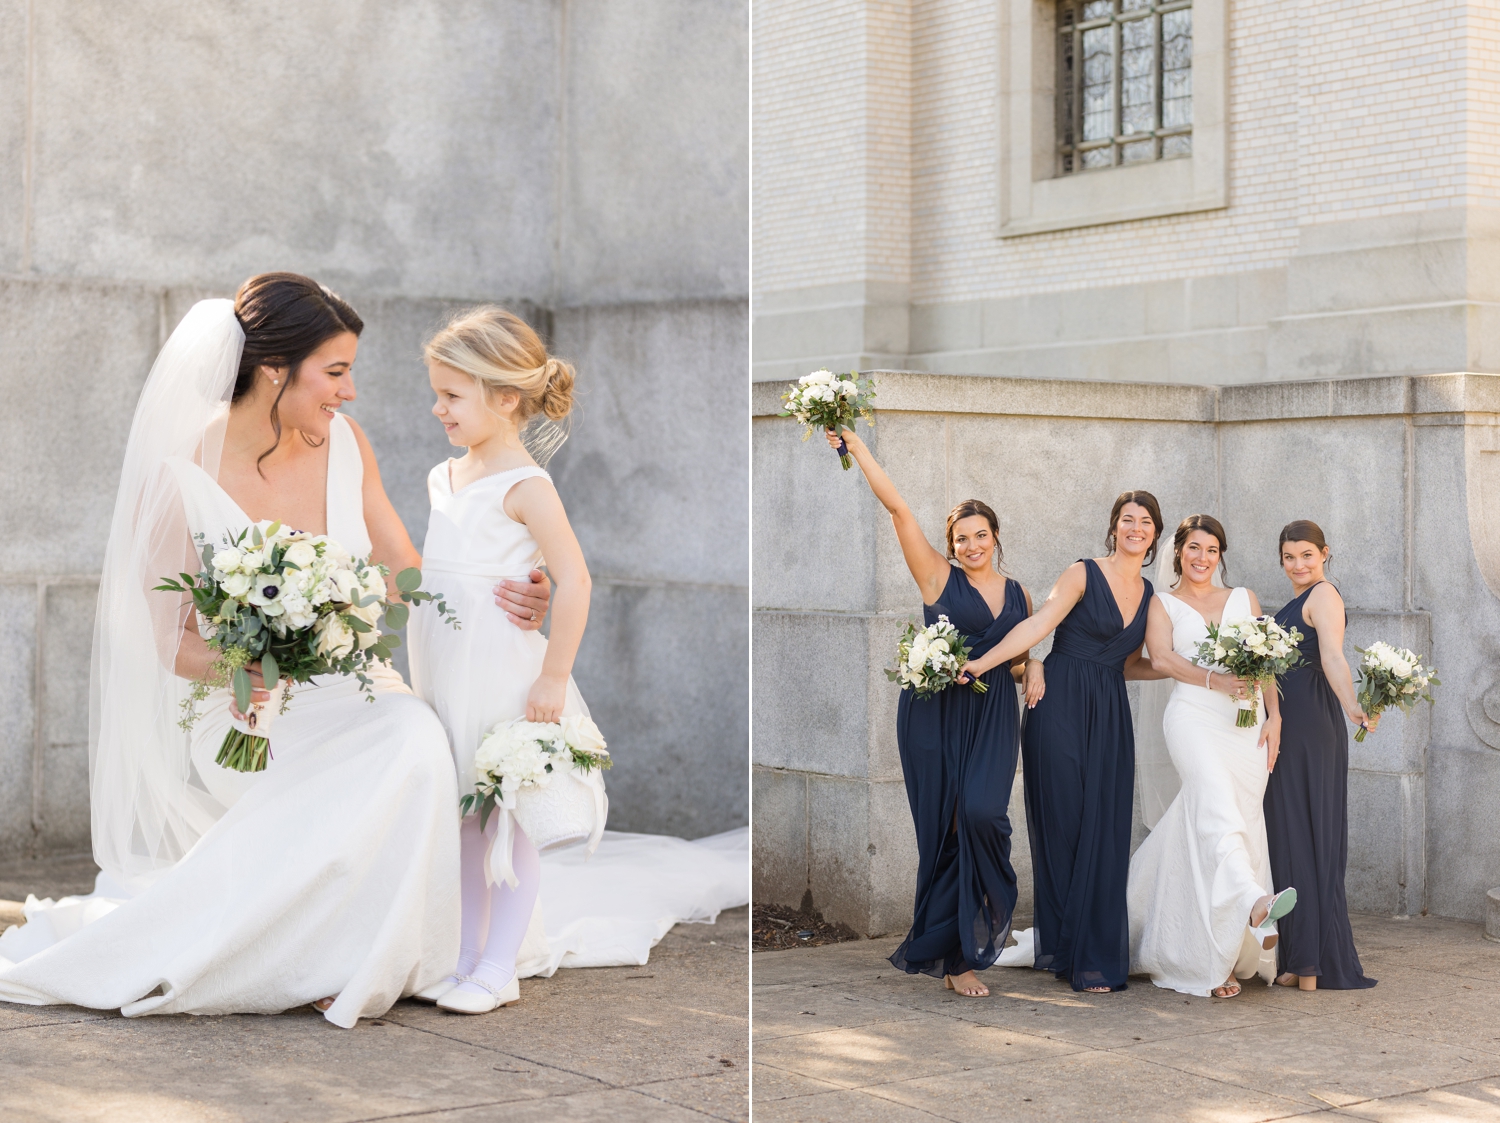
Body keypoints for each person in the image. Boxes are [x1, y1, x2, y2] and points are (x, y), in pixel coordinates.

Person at [0, 275, 550, 1027]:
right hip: (243, 710)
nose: (350, 392)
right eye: (335, 371)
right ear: (273, 371)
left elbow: (405, 572)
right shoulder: (182, 472)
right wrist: (250, 659)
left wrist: (512, 587)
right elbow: (172, 643)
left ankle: (376, 951)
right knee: (391, 755)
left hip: (356, 687)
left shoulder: (349, 446)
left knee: (417, 738)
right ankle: (331, 953)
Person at [407, 307, 596, 1014]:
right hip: (443, 666)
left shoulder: (527, 486)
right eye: (438, 392)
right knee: (463, 815)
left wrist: (552, 676)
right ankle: (463, 950)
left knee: (505, 817)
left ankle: (499, 963)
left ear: (506, 398)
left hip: (501, 671)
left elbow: (573, 578)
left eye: (452, 395)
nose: (438, 408)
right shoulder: (443, 477)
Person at [827, 426, 1039, 999]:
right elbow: (898, 509)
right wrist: (857, 447)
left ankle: (979, 921)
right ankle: (956, 959)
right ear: (950, 545)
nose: (972, 546)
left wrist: (1033, 668)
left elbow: (1017, 658)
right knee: (945, 829)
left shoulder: (1017, 592)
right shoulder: (936, 577)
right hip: (935, 717)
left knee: (982, 814)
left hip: (993, 716)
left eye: (981, 536)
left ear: (996, 537)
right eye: (962, 538)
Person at [959, 491, 1160, 993]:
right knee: (1067, 826)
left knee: (1107, 827)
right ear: (1113, 527)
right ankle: (1075, 952)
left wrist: (1211, 677)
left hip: (1110, 711)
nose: (1135, 528)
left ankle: (1087, 948)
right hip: (1060, 705)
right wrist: (987, 663)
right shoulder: (1082, 572)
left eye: (1145, 522)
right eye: (1126, 520)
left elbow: (1132, 663)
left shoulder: (1151, 593)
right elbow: (1039, 625)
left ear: (1156, 534)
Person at [1127, 515, 1296, 999]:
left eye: (1212, 549)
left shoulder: (1244, 599)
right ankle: (1252, 900)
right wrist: (1213, 680)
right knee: (1218, 805)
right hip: (1194, 719)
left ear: (1221, 555)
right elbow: (1160, 658)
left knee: (1218, 819)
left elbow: (1264, 663)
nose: (1203, 558)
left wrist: (1275, 715)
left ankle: (1211, 952)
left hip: (1244, 725)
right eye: (1194, 548)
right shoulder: (1162, 603)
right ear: (1177, 552)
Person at [1263, 521, 1378, 991]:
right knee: (1292, 834)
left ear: (1325, 553)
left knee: (1307, 835)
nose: (1298, 565)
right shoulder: (1296, 600)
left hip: (1311, 724)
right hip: (1290, 724)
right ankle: (1301, 959)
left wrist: (1353, 705)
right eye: (1290, 557)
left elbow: (1332, 655)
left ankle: (1311, 962)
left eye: (1307, 555)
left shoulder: (1324, 595)